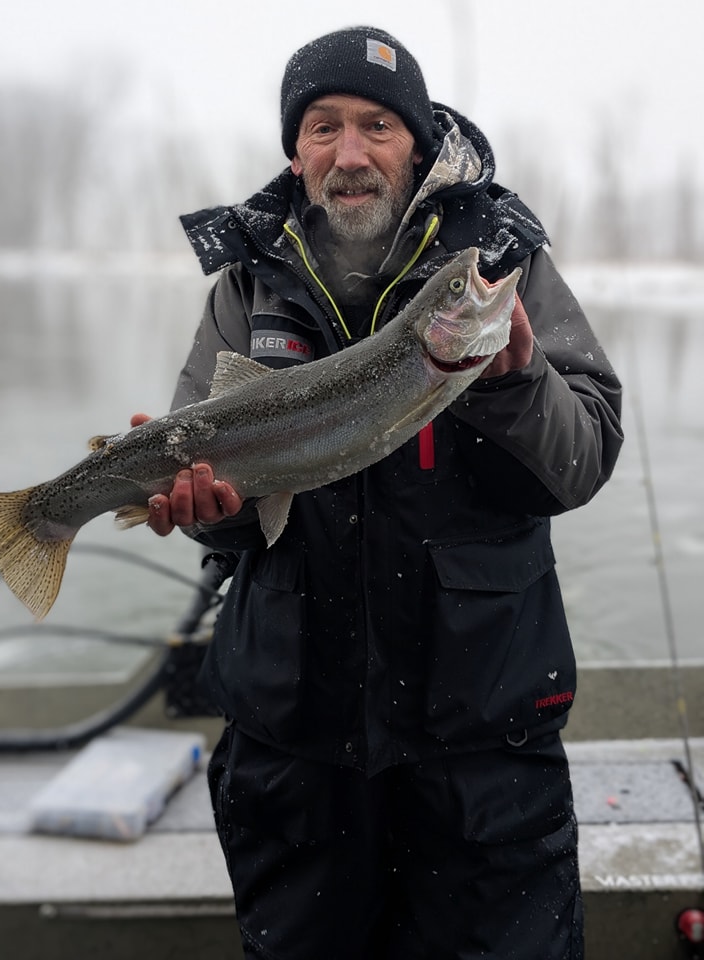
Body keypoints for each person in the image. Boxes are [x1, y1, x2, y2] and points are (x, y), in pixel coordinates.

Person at [136, 26, 623, 960]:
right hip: (297, 756)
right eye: (324, 127)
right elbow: (223, 505)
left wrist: (515, 382)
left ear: (420, 143)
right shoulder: (248, 280)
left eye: (376, 127)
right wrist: (217, 509)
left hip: (481, 749)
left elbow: (584, 458)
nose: (349, 154)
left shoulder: (494, 265)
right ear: (296, 150)